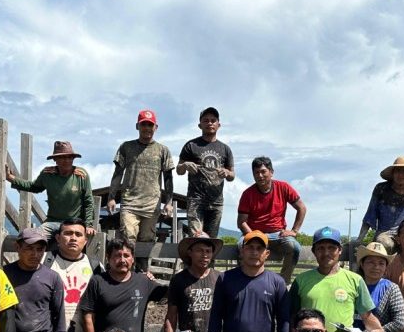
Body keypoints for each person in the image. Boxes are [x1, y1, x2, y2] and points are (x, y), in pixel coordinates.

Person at [207, 231, 291, 332]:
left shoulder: (277, 283)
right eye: (250, 247)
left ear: (266, 254)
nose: (254, 252)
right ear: (242, 251)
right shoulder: (226, 279)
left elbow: (283, 324)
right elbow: (215, 318)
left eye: (259, 248)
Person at [289, 226, 384, 332]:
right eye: (321, 248)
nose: (326, 252)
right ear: (314, 251)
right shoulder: (301, 280)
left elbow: (367, 316)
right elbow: (292, 318)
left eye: (331, 248)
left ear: (340, 250)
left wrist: (378, 331)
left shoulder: (355, 280)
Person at [81, 237, 167, 332]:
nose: (122, 260)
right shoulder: (98, 281)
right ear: (108, 258)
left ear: (133, 259)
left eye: (126, 255)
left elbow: (171, 294)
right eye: (117, 255)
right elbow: (87, 316)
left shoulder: (143, 281)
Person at [38, 220, 105, 332]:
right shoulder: (45, 261)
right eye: (68, 233)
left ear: (85, 240)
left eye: (78, 234)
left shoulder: (96, 267)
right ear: (58, 238)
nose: (73, 238)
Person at [108, 109, 174, 271]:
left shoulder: (162, 150)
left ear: (156, 127)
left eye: (150, 125)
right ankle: (126, 274)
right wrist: (111, 197)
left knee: (146, 240)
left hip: (152, 204)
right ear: (137, 126)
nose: (147, 128)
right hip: (130, 202)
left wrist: (169, 202)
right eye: (144, 124)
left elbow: (168, 178)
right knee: (128, 238)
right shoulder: (126, 147)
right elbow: (118, 173)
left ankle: (143, 274)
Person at [1, 228, 66, 332]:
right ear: (18, 247)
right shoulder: (3, 275)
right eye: (29, 248)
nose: (35, 254)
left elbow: (59, 318)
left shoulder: (52, 278)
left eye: (40, 249)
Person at [163, 233, 222, 332]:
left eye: (208, 251)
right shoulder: (179, 280)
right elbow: (171, 316)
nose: (204, 255)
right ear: (190, 252)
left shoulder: (220, 278)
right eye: (200, 250)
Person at [6, 141, 96, 242]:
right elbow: (33, 187)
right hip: (52, 221)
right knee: (34, 239)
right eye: (62, 157)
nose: (67, 160)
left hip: (74, 222)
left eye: (69, 157)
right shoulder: (48, 174)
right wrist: (11, 178)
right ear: (55, 159)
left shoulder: (81, 175)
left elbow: (88, 201)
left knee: (71, 242)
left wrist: (88, 225)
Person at [236, 156, 306, 282]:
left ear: (271, 172)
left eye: (263, 171)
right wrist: (253, 235)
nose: (260, 176)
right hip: (254, 232)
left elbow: (302, 208)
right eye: (256, 172)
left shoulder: (283, 187)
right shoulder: (248, 194)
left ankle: (283, 281)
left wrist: (294, 231)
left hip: (278, 233)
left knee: (294, 247)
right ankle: (245, 281)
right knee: (241, 245)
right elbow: (241, 222)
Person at [178, 106, 235, 237]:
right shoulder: (191, 146)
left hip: (216, 201)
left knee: (212, 240)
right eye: (206, 120)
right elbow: (179, 170)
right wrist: (185, 165)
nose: (210, 123)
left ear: (218, 125)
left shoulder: (225, 149)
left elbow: (232, 175)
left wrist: (226, 173)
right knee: (197, 237)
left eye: (213, 120)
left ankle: (210, 259)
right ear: (200, 125)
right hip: (196, 199)